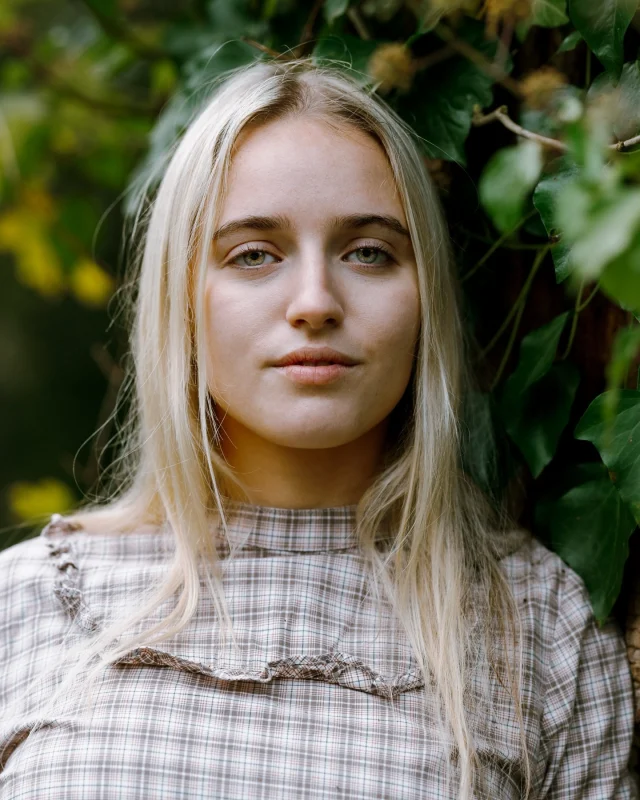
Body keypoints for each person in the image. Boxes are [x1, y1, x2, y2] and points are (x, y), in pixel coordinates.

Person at [0, 57, 635, 800]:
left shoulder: (539, 627)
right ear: (181, 300)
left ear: (426, 297)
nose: (314, 301)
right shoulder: (26, 604)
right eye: (254, 254)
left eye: (368, 252)